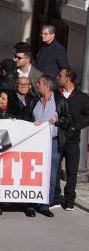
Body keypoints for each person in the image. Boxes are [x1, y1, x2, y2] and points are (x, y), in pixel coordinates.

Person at [26, 74, 73, 217]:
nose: (37, 85)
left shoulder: (60, 101)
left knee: (51, 175)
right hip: (35, 143)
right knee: (32, 173)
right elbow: (26, 117)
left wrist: (58, 121)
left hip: (52, 143)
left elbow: (69, 120)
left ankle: (45, 204)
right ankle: (30, 204)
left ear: (46, 86)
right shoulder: (34, 101)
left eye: (39, 83)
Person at [55, 68, 89, 211]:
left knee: (72, 170)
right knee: (55, 168)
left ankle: (69, 200)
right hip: (57, 136)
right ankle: (55, 197)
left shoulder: (82, 98)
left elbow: (88, 116)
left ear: (67, 78)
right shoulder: (56, 95)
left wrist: (76, 127)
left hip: (72, 139)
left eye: (60, 76)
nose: (58, 78)